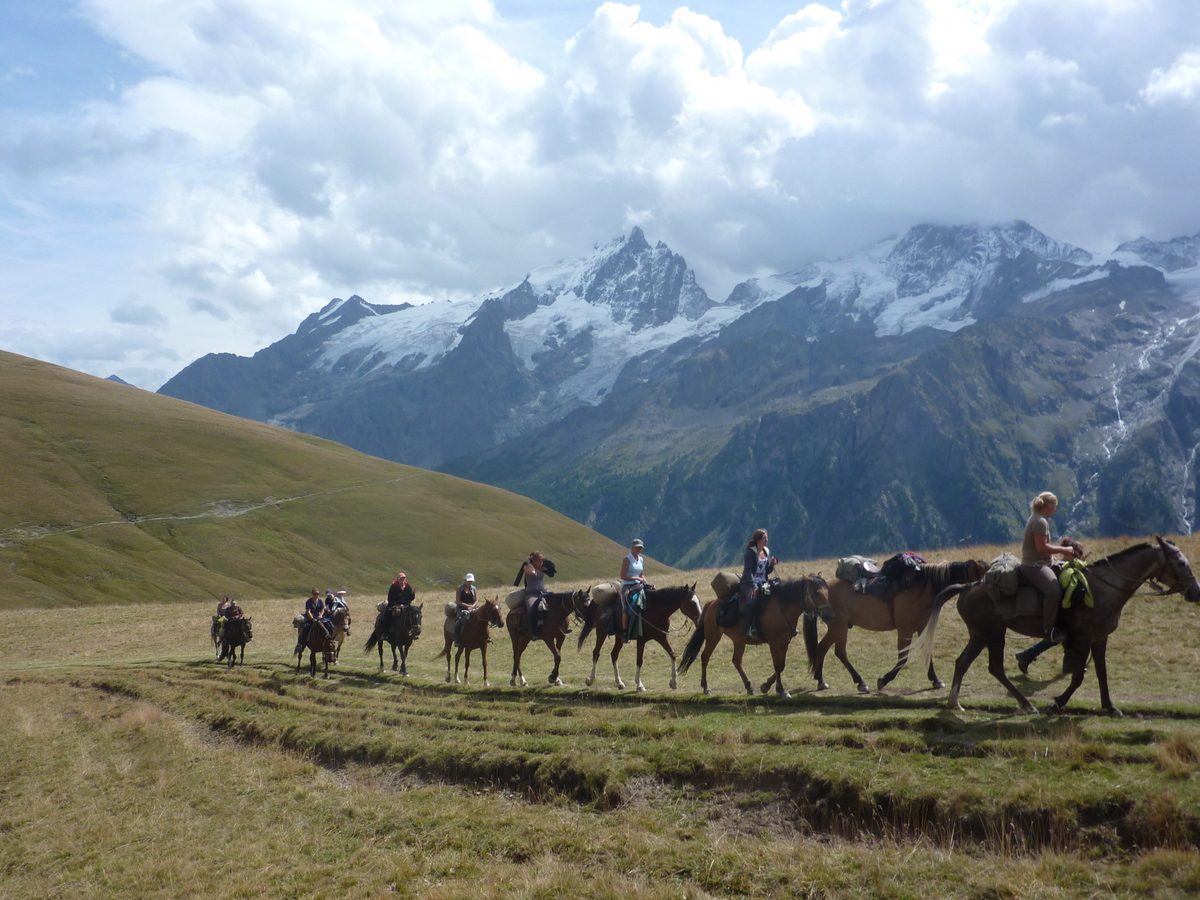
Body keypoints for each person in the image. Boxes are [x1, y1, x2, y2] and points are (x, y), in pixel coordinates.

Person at [1017, 491, 1082, 647]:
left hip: (1042, 562)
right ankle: (1049, 629)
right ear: (1051, 506)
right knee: (1054, 590)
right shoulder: (1040, 522)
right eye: (1055, 506)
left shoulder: (1039, 518)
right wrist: (1065, 551)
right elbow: (1041, 548)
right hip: (1034, 566)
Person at [739, 528, 777, 640]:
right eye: (765, 538)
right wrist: (753, 586)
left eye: (767, 537)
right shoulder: (750, 553)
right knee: (752, 601)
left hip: (763, 582)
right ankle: (747, 629)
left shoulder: (766, 551)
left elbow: (766, 571)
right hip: (749, 583)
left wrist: (772, 565)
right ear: (758, 539)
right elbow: (748, 571)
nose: (767, 540)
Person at [619, 539, 647, 637]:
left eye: (640, 547)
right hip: (627, 585)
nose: (638, 549)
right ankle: (625, 630)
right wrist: (636, 578)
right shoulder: (627, 559)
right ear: (632, 547)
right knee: (626, 605)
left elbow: (641, 574)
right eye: (637, 547)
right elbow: (622, 576)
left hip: (638, 584)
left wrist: (645, 581)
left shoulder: (641, 559)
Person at [520, 552, 548, 637]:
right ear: (534, 561)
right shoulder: (526, 567)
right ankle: (533, 631)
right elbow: (532, 572)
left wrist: (543, 562)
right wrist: (529, 562)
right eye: (539, 562)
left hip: (543, 592)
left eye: (542, 561)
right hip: (531, 594)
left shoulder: (542, 567)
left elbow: (551, 567)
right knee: (532, 609)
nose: (541, 563)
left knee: (555, 604)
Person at [297, 588, 329, 652]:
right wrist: (312, 619)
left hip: (318, 617)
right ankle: (301, 644)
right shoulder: (309, 601)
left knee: (328, 624)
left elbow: (322, 609)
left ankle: (329, 638)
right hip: (309, 618)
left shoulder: (320, 601)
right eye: (315, 594)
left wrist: (320, 615)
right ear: (312, 594)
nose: (316, 595)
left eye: (318, 594)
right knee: (305, 629)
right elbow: (308, 611)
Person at [454, 573, 478, 647]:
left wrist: (472, 606)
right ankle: (457, 640)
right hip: (462, 607)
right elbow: (458, 601)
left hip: (472, 606)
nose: (470, 582)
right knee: (458, 622)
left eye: (471, 581)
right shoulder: (459, 588)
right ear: (465, 580)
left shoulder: (474, 588)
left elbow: (476, 600)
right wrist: (467, 606)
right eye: (468, 581)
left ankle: (486, 636)